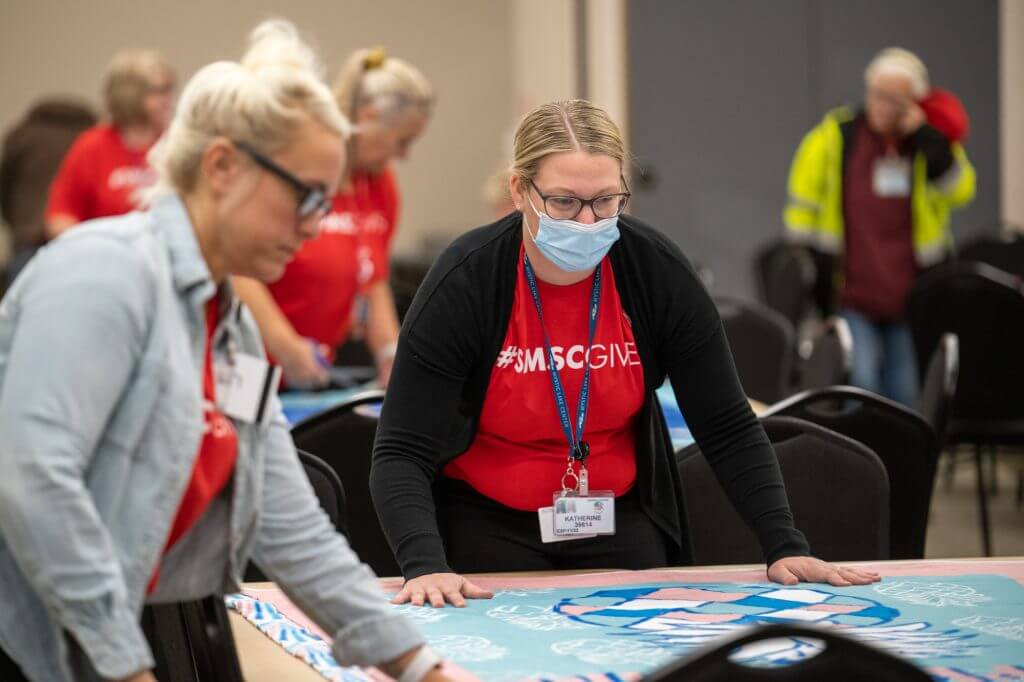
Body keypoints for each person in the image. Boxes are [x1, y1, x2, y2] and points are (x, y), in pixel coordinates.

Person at [0, 21, 445, 682]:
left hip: (131, 626)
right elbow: (34, 480)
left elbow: (290, 524)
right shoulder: (102, 275)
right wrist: (124, 667)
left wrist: (419, 666)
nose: (317, 226)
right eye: (306, 196)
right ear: (221, 166)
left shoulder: (230, 326)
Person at [370, 99, 881, 609]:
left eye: (606, 200)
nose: (587, 221)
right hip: (486, 520)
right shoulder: (466, 280)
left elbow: (726, 424)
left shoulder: (654, 270)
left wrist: (783, 544)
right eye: (564, 202)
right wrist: (425, 564)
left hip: (618, 515)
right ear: (520, 190)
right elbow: (401, 450)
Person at [783, 47, 975, 405]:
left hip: (908, 297)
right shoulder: (835, 138)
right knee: (862, 384)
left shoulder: (928, 144)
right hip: (852, 293)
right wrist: (809, 275)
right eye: (877, 94)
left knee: (905, 393)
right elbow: (801, 206)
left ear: (914, 104)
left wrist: (927, 138)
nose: (882, 106)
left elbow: (960, 190)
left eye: (894, 99)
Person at [235, 47, 433, 389]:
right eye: (402, 140)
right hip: (252, 363)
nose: (404, 155)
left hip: (315, 370)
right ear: (368, 116)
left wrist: (391, 353)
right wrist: (286, 347)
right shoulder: (304, 167)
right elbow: (239, 271)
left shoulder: (381, 185)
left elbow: (374, 279)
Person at [44, 48, 177, 238]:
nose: (168, 100)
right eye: (158, 92)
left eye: (169, 90)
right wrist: (92, 246)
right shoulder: (92, 146)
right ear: (129, 95)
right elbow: (60, 218)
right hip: (105, 249)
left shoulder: (176, 143)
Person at [0, 98, 96, 285]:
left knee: (23, 297)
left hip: (29, 235)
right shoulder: (91, 138)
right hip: (79, 238)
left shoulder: (23, 136)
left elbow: (5, 186)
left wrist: (17, 222)